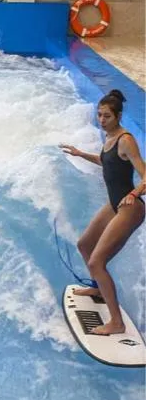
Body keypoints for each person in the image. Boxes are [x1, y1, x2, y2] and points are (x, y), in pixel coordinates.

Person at [60, 89, 145, 335]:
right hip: (114, 203)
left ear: (118, 116)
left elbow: (145, 175)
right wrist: (80, 153)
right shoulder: (108, 139)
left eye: (107, 116)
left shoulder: (126, 140)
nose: (101, 120)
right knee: (84, 245)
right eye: (99, 115)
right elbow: (107, 162)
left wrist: (134, 194)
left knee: (97, 261)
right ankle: (98, 288)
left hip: (130, 207)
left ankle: (116, 323)